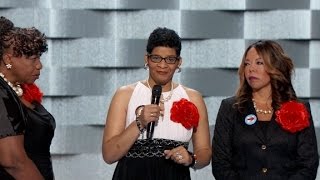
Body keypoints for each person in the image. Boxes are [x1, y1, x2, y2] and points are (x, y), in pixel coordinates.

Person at [102, 27, 211, 180]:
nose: (162, 65)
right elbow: (109, 154)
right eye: (156, 58)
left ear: (179, 62)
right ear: (147, 59)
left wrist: (191, 159)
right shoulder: (125, 95)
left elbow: (205, 152)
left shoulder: (193, 98)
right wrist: (139, 122)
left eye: (170, 59)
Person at [211, 40, 319, 180]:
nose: (251, 69)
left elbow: (308, 165)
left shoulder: (299, 108)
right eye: (247, 64)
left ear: (275, 66)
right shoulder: (230, 108)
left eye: (259, 63)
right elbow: (220, 164)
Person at [0, 16, 55, 180]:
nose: (39, 65)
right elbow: (13, 162)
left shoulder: (20, 89)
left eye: (39, 57)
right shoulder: (1, 92)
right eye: (32, 59)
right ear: (8, 59)